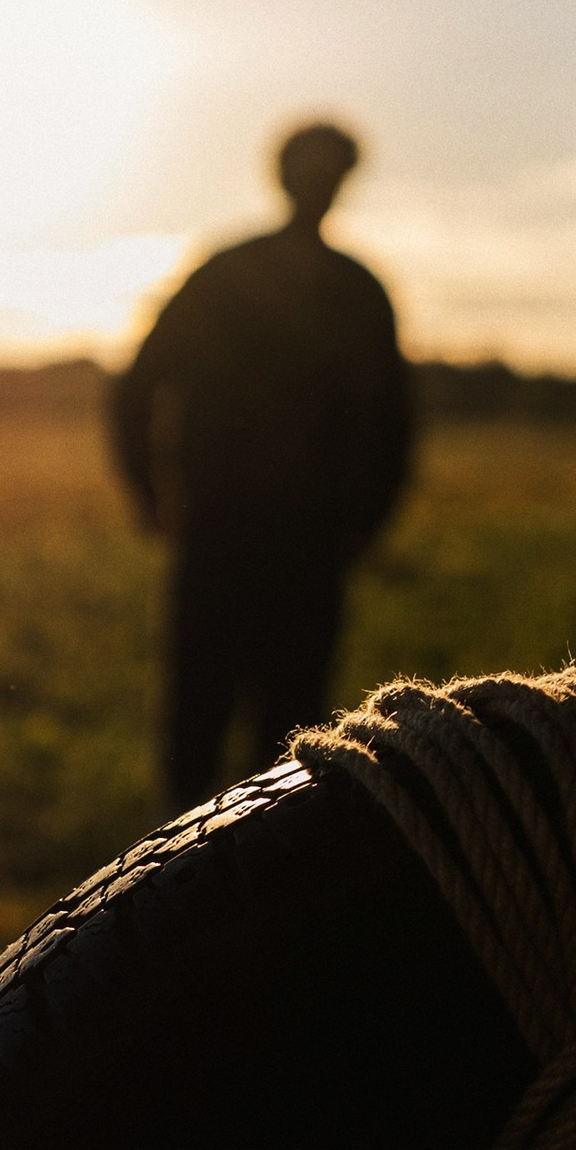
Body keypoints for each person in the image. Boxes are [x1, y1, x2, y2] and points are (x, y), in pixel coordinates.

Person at [111, 123, 413, 816]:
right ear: (281, 176)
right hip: (218, 529)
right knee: (198, 710)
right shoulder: (223, 276)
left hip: (313, 540)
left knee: (293, 727)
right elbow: (139, 384)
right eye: (307, 170)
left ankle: (269, 873)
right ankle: (170, 872)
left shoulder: (358, 291)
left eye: (331, 172)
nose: (319, 185)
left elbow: (395, 418)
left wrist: (370, 520)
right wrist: (147, 492)